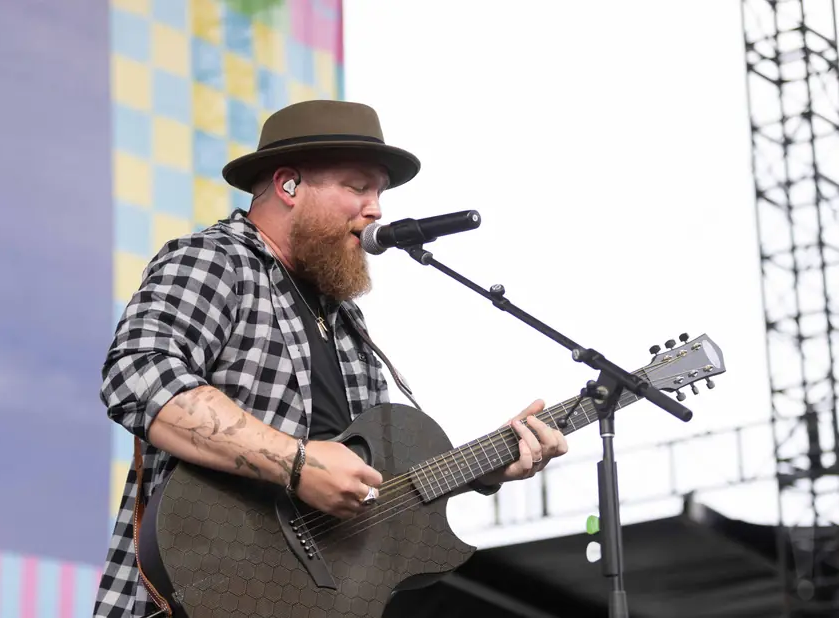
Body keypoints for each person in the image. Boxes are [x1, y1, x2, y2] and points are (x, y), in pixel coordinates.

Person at [92, 99, 569, 618]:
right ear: (288, 185)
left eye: (380, 192)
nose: (376, 210)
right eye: (357, 187)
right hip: (191, 597)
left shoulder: (346, 324)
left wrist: (484, 470)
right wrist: (297, 463)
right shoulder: (216, 259)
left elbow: (377, 491)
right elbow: (138, 374)